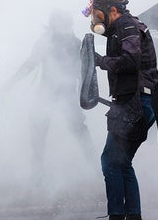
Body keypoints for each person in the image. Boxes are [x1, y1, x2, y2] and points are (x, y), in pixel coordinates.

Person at [83, 0, 158, 220]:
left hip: (135, 103)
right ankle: (132, 216)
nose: (96, 19)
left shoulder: (127, 26)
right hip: (136, 102)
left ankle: (117, 215)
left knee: (111, 162)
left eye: (98, 12)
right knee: (122, 162)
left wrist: (99, 60)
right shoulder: (120, 28)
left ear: (113, 9)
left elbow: (130, 60)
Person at [9, 10, 95, 179]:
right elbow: (30, 64)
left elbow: (83, 70)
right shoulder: (48, 42)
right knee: (40, 129)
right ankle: (38, 172)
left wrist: (83, 92)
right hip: (49, 91)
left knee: (77, 129)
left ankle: (96, 168)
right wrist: (11, 82)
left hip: (65, 92)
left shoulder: (74, 42)